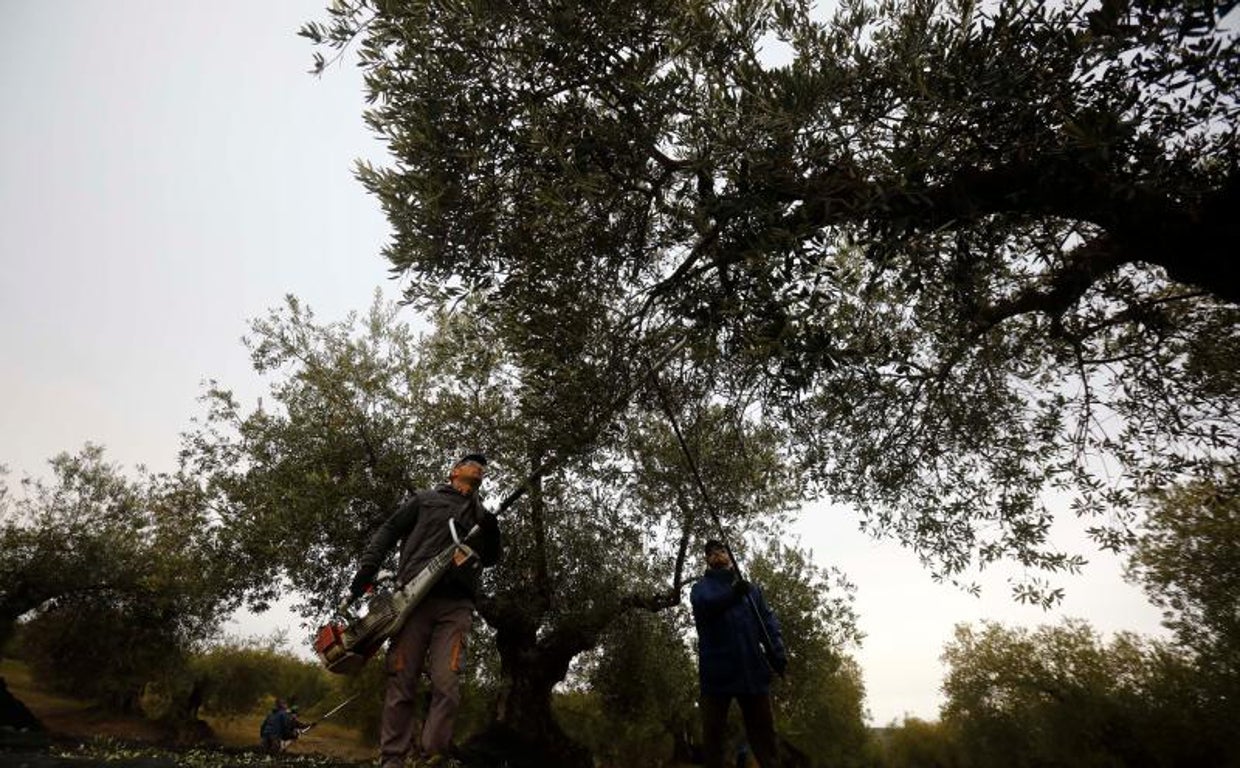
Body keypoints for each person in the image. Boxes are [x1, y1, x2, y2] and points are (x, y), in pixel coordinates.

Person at [349, 453, 502, 768]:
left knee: (447, 682)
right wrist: (368, 567)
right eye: (470, 462)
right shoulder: (425, 500)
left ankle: (432, 752)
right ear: (454, 471)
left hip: (457, 606)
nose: (479, 466)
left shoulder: (482, 516)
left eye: (482, 466)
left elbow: (491, 558)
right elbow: (389, 530)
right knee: (402, 679)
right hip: (413, 602)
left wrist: (493, 530)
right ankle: (392, 759)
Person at [690, 539, 788, 768]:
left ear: (730, 556)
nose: (716, 554)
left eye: (721, 550)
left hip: (752, 672)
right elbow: (706, 606)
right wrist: (734, 593)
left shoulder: (752, 590)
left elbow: (768, 622)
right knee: (713, 741)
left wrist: (777, 654)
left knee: (765, 739)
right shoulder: (700, 588)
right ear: (707, 559)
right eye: (711, 552)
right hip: (716, 675)